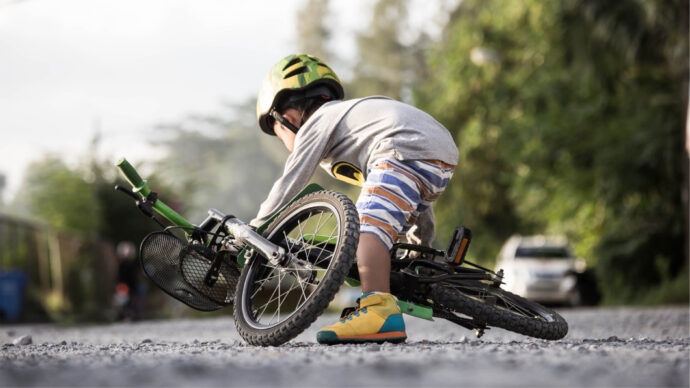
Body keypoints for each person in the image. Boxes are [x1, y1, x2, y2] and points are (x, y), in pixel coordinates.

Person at [251, 54, 458, 344]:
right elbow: (415, 203)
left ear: (287, 117)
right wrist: (421, 247)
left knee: (364, 227)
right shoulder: (353, 125)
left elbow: (292, 179)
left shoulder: (319, 120)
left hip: (400, 146)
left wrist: (257, 226)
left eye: (279, 134)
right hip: (440, 156)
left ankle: (377, 312)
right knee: (382, 212)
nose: (285, 145)